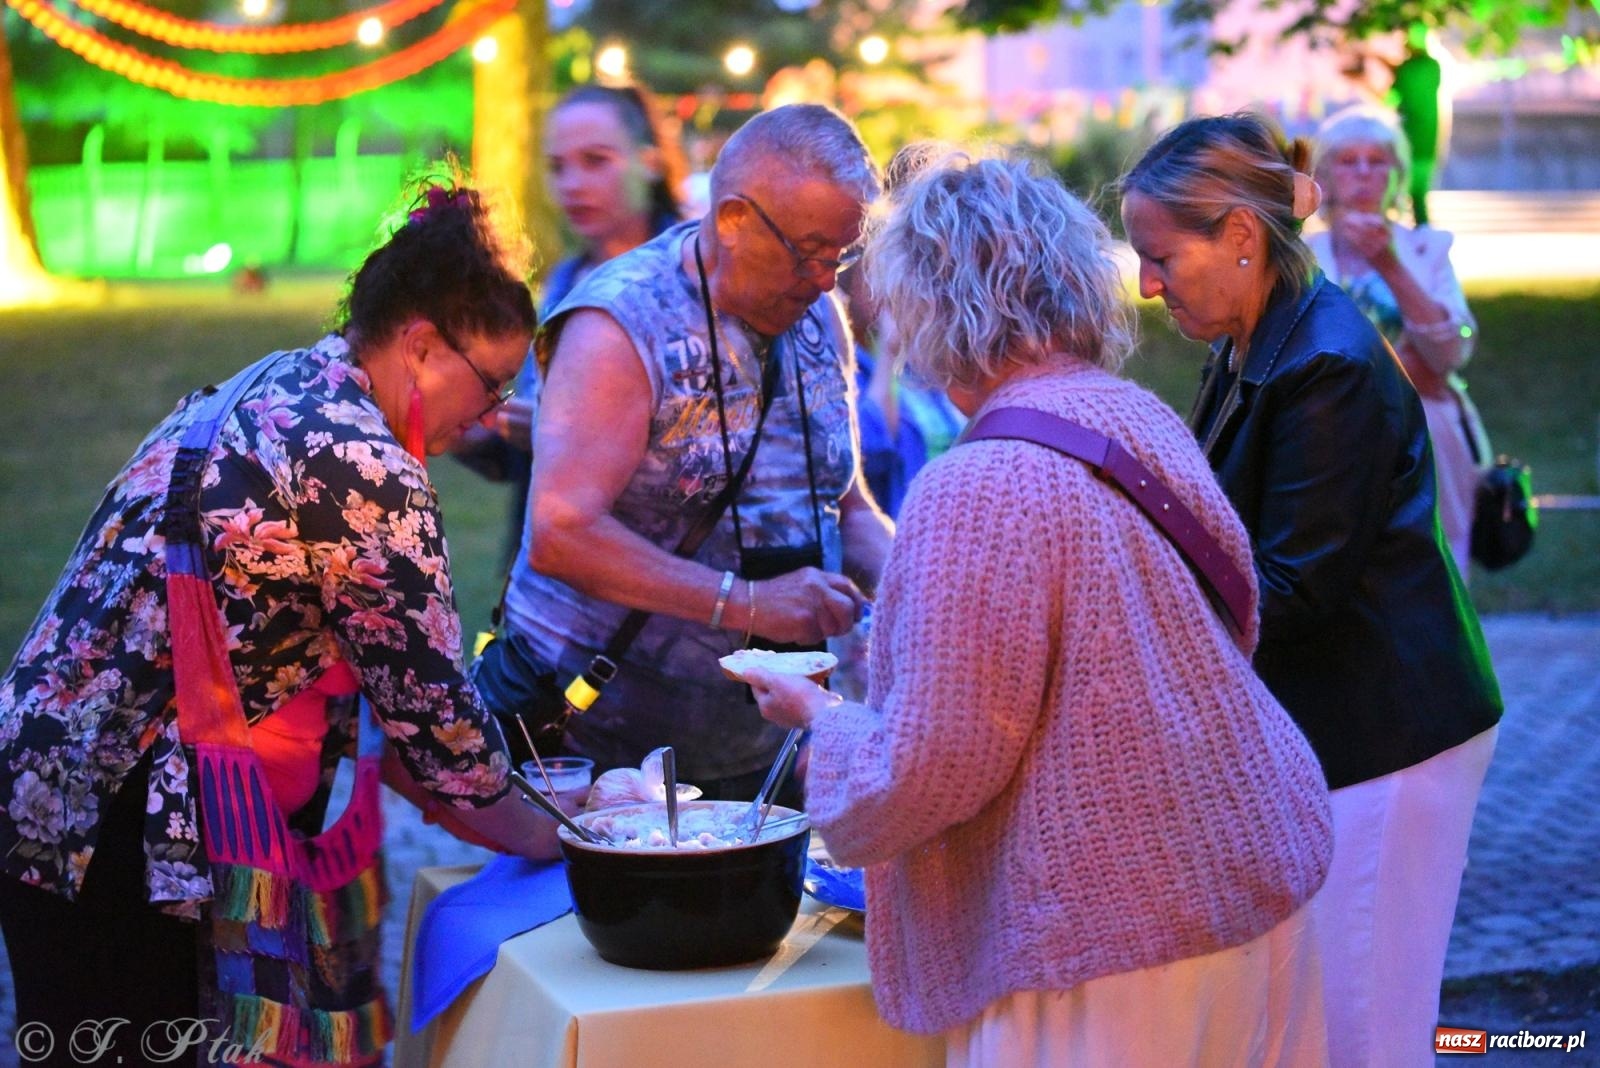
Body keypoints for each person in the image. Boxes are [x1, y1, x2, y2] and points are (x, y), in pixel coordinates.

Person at [747, 149, 1334, 1065]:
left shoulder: (975, 487)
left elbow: (930, 769)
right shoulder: (1139, 418)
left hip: (1107, 951)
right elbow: (1234, 622)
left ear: (929, 307)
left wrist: (821, 720)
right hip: (1254, 880)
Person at [0, 176, 566, 1066]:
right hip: (119, 830)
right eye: (492, 386)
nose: (495, 416)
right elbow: (440, 732)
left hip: (50, 788)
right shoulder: (365, 465)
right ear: (421, 346)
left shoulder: (286, 379)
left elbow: (407, 719)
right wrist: (561, 836)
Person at [1119, 113, 1503, 1068]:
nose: (1146, 283)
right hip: (1341, 726)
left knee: (1369, 1025)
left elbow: (1288, 586)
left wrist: (1126, 622)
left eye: (1161, 255)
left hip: (1388, 735)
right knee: (1319, 1022)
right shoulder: (1260, 334)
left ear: (1242, 237)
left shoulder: (1323, 358)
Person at [473, 104, 892, 801]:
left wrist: (917, 584)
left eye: (841, 255)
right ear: (733, 221)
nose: (826, 280)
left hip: (763, 749)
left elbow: (846, 505)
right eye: (810, 252)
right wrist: (748, 603)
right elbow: (559, 532)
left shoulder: (818, 313)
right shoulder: (618, 323)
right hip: (597, 751)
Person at [454, 83, 688, 567]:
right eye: (558, 167)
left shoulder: (691, 278)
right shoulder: (564, 282)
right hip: (545, 575)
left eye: (595, 160)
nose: (573, 184)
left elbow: (705, 446)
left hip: (653, 577)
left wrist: (551, 429)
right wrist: (473, 433)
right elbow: (539, 459)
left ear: (650, 160)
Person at [1309, 103, 1483, 579]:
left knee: (1434, 571)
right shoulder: (1304, 258)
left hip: (1425, 434)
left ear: (1398, 173)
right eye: (1348, 161)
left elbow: (1447, 356)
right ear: (1324, 174)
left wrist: (1390, 264)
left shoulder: (1427, 249)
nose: (1364, 173)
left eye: (1378, 159)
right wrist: (1403, 367)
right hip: (1330, 441)